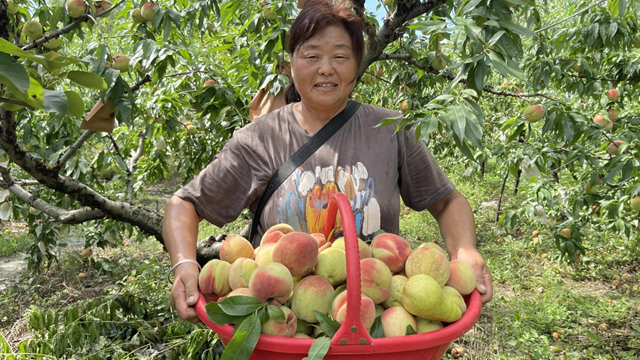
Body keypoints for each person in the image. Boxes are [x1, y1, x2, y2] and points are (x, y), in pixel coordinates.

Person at [163, 0, 493, 324]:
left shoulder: (391, 130)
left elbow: (448, 201)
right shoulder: (260, 138)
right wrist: (183, 265)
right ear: (290, 63)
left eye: (340, 56)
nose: (326, 68)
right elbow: (185, 203)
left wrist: (464, 249)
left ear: (357, 64)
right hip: (282, 325)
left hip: (376, 326)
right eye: (311, 55)